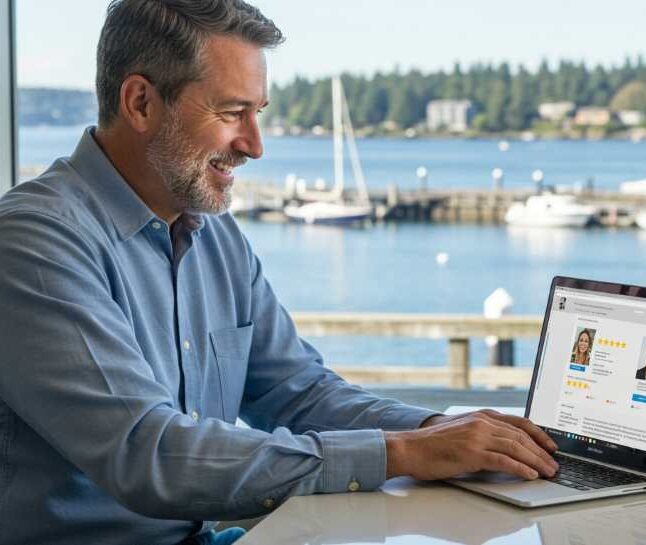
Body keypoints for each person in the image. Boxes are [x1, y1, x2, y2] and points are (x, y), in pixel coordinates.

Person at [0, 2, 558, 544]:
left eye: (258, 113)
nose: (255, 145)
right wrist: (401, 453)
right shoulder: (35, 242)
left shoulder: (214, 235)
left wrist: (437, 430)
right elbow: (148, 453)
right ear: (141, 103)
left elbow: (297, 392)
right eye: (231, 113)